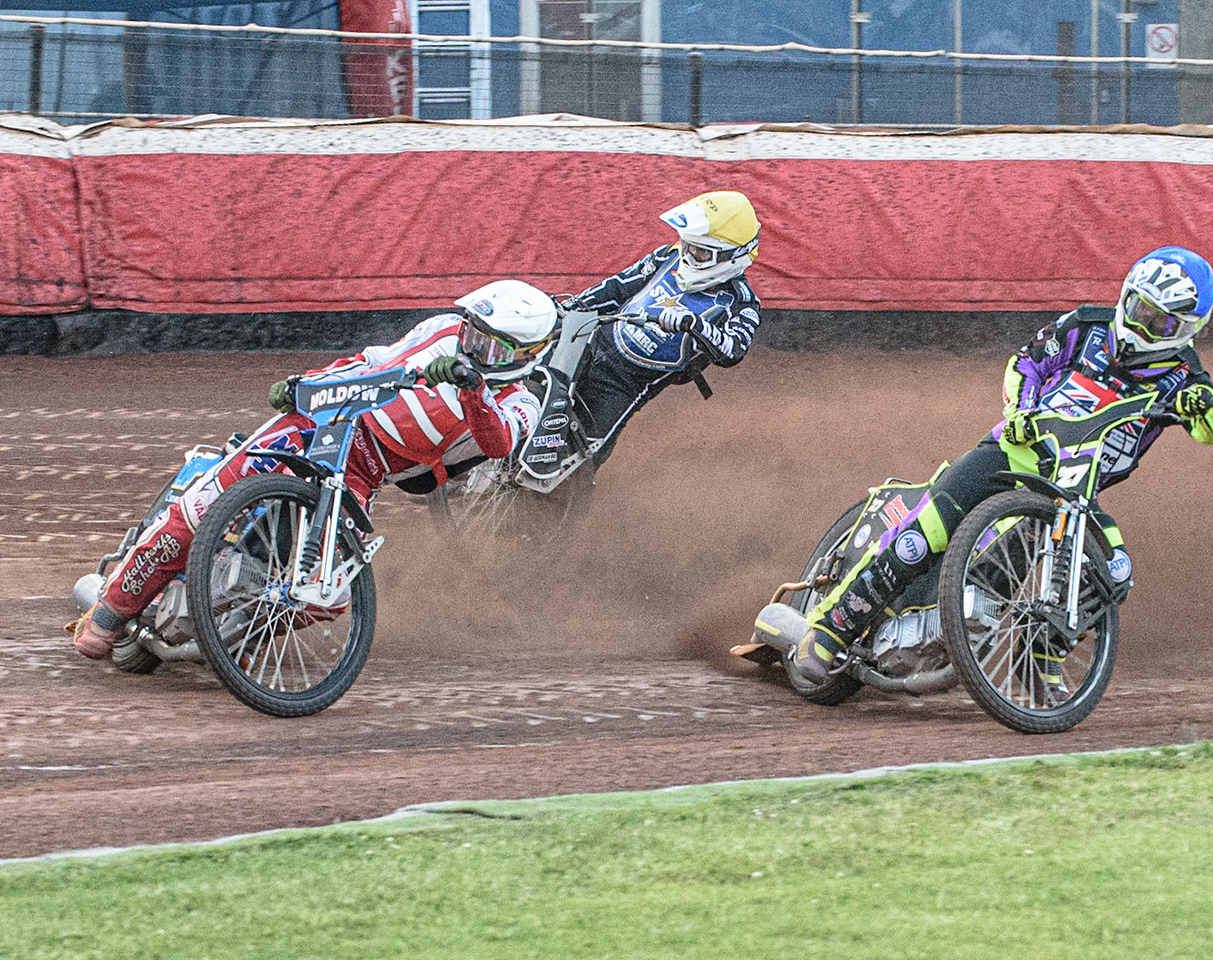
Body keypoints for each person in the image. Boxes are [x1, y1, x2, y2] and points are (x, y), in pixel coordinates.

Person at [783, 246, 1213, 691]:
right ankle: (830, 630)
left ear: (1190, 329)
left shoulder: (1185, 375)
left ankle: (1040, 657)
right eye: (1138, 308)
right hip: (1012, 451)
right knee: (923, 535)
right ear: (1125, 295)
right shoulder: (1088, 324)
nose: (1143, 325)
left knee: (1114, 570)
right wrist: (1020, 410)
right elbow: (1026, 362)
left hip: (1074, 489)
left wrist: (1202, 406)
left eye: (1161, 321)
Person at [71, 281, 555, 659]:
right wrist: (308, 384)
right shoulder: (442, 331)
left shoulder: (524, 400)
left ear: (525, 356)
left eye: (490, 348)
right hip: (324, 421)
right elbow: (372, 362)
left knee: (330, 596)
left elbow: (498, 443)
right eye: (472, 334)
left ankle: (235, 638)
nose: (472, 349)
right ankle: (111, 609)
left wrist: (473, 388)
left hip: (364, 472)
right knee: (205, 504)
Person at [557, 190, 763, 462]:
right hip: (590, 340)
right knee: (533, 386)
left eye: (701, 252)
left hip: (625, 383)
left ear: (732, 257)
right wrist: (568, 307)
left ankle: (556, 502)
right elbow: (618, 287)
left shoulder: (742, 304)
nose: (689, 255)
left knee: (584, 455)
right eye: (689, 245)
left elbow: (733, 351)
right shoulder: (668, 256)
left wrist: (694, 325)